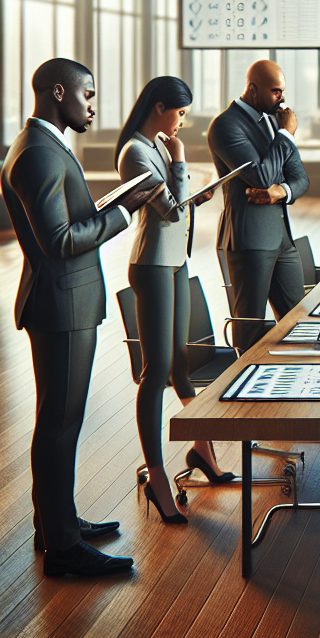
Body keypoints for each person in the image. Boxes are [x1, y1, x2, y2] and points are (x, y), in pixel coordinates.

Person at [0, 58, 161, 577]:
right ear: (58, 92)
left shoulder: (40, 146)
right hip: (61, 301)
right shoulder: (39, 154)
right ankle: (63, 549)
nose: (93, 105)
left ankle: (56, 522)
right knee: (59, 422)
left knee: (60, 420)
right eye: (87, 95)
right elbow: (60, 241)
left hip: (61, 299)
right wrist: (123, 211)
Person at [116, 77, 233, 525]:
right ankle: (158, 476)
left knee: (182, 360)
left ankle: (202, 448)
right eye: (180, 113)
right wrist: (182, 164)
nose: (182, 122)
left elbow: (177, 204)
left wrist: (195, 194)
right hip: (152, 266)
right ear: (159, 106)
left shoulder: (158, 148)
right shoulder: (136, 152)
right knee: (157, 369)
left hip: (175, 261)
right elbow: (167, 209)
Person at [207, 60, 309, 351]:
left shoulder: (271, 121)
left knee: (298, 322)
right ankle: (245, 396)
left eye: (283, 91)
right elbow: (260, 176)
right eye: (276, 91)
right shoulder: (225, 125)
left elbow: (301, 178)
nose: (282, 98)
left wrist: (282, 191)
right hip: (249, 239)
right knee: (249, 330)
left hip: (282, 239)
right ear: (252, 89)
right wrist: (286, 134)